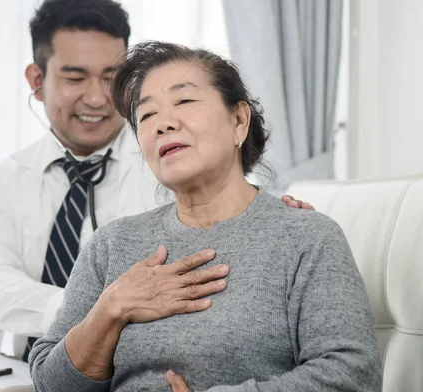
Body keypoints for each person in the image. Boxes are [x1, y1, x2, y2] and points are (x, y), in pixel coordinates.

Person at [0, 0, 311, 391]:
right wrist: (101, 305)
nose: (97, 98)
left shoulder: (168, 159)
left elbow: (225, 212)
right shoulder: (2, 182)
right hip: (18, 363)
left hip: (128, 364)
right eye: (75, 78)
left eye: (111, 77)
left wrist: (276, 210)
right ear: (37, 81)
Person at [27, 41, 382, 391]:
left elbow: (353, 374)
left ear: (239, 121)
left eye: (184, 101)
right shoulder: (111, 244)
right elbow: (48, 382)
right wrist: (110, 309)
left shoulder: (306, 237)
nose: (163, 124)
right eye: (147, 115)